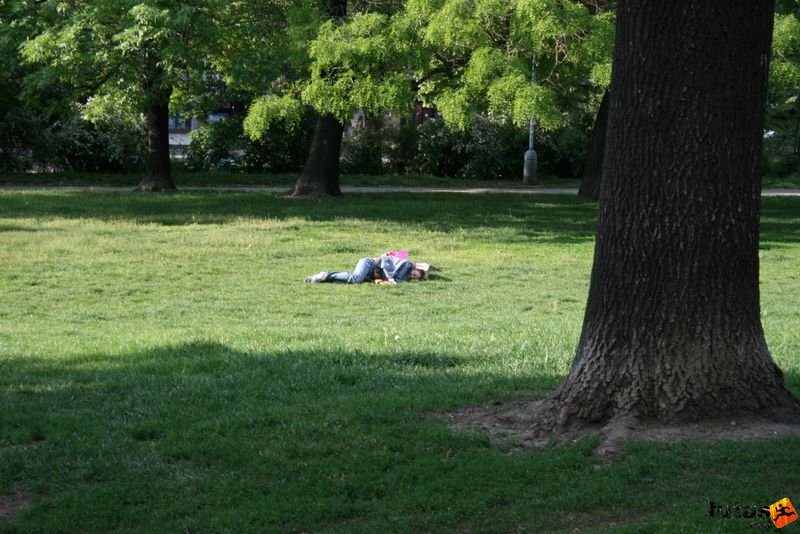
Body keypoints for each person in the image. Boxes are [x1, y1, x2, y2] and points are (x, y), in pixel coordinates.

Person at [304, 250, 435, 284]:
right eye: (415, 274)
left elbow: (396, 281)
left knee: (352, 279)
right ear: (417, 269)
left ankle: (323, 278)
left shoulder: (404, 277)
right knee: (355, 278)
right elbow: (384, 261)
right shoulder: (404, 264)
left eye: (415, 278)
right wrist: (390, 278)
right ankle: (325, 275)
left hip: (371, 273)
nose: (413, 277)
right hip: (369, 263)